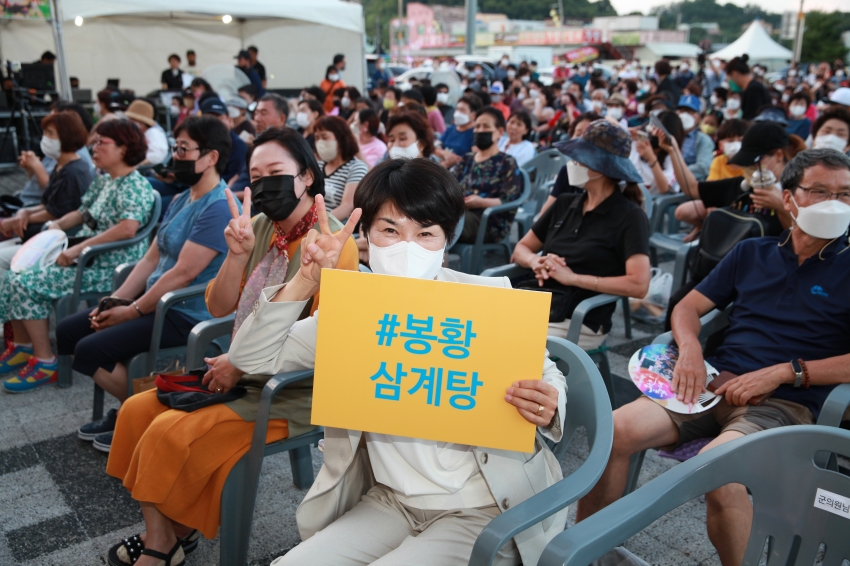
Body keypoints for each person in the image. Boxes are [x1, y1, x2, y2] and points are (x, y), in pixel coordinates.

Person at [229, 157, 568, 566]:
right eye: (390, 230)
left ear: (445, 243)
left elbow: (546, 372)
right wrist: (306, 280)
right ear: (366, 234)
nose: (408, 246)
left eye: (426, 233)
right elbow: (248, 356)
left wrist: (549, 402)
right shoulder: (355, 310)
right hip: (389, 501)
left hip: (480, 505)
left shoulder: (486, 300)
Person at [577, 149, 850, 566]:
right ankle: (589, 548)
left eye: (846, 194)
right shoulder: (753, 252)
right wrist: (690, 349)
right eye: (820, 191)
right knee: (616, 428)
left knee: (717, 469)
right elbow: (686, 308)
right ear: (789, 198)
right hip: (711, 382)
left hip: (788, 400)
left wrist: (783, 373)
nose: (835, 203)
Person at [103, 128, 358, 566]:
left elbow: (323, 344)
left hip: (292, 388)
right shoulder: (258, 227)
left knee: (169, 431)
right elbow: (220, 306)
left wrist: (238, 365)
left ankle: (165, 544)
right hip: (236, 369)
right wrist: (237, 256)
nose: (263, 185)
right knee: (135, 411)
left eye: (275, 173)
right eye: (255, 176)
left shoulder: (334, 245)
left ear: (307, 178)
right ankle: (163, 536)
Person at [55, 117, 233, 450]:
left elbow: (183, 273)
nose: (176, 156)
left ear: (210, 157)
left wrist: (133, 311)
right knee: (70, 330)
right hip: (155, 302)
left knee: (89, 350)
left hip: (184, 312)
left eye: (184, 149)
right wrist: (115, 302)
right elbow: (151, 259)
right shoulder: (183, 199)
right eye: (175, 147)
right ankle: (135, 409)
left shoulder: (219, 207)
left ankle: (142, 416)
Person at [1, 120, 155, 393]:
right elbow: (82, 213)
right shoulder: (105, 179)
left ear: (123, 149)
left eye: (101, 143)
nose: (94, 148)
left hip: (104, 264)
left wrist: (77, 249)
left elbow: (126, 227)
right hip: (82, 256)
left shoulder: (134, 184)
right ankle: (25, 348)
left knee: (24, 282)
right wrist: (54, 227)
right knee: (13, 273)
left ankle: (45, 361)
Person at [513, 119, 651, 350]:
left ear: (601, 168)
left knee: (505, 339)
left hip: (581, 317)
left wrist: (572, 278)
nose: (572, 164)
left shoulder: (630, 216)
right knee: (480, 325)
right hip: (541, 301)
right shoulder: (565, 203)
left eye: (579, 159)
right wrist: (536, 261)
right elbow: (521, 248)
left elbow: (638, 284)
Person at [672, 121, 805, 241]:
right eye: (746, 163)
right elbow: (692, 188)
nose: (749, 168)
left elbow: (803, 242)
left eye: (755, 163)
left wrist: (781, 207)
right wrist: (673, 150)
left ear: (778, 156)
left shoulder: (801, 192)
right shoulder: (742, 186)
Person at [0, 112, 93, 269]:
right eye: (45, 133)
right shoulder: (62, 165)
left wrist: (24, 218)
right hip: (40, 236)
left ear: (66, 136)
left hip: (55, 242)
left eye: (50, 133)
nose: (45, 138)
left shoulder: (74, 171)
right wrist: (24, 213)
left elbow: (57, 212)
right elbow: (47, 203)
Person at [452, 107, 522, 245]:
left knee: (440, 225)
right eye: (477, 126)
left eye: (486, 126)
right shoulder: (467, 159)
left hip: (488, 221)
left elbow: (509, 199)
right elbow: (449, 186)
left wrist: (480, 202)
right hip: (459, 213)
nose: (480, 130)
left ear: (500, 132)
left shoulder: (507, 162)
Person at [16, 102, 94, 208]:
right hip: (29, 203)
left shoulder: (74, 158)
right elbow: (37, 185)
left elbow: (53, 192)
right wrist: (30, 168)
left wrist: (36, 165)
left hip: (34, 206)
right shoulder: (57, 150)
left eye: (50, 132)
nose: (45, 138)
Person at [540, 113, 596, 215]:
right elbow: (545, 213)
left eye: (588, 136)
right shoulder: (567, 171)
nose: (581, 140)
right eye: (578, 134)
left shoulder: (604, 178)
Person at [313, 116, 368, 220]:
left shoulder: (356, 167)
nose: (320, 142)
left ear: (340, 138)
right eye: (317, 138)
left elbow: (347, 206)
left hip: (334, 226)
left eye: (324, 137)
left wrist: (318, 224)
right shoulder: (318, 166)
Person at [629, 110, 683, 196]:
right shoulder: (637, 141)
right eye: (653, 126)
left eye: (659, 130)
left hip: (650, 202)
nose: (653, 132)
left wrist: (651, 157)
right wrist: (624, 133)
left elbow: (664, 188)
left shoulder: (672, 156)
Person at [199, 97, 248, 187]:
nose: (215, 123)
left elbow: (233, 178)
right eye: (209, 119)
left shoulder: (238, 146)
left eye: (218, 118)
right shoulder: (198, 142)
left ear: (229, 120)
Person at [436, 94, 480, 169]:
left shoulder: (475, 133)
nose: (457, 113)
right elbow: (435, 147)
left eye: (462, 110)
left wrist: (454, 160)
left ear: (473, 115)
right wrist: (446, 154)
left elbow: (474, 159)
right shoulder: (451, 129)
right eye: (457, 109)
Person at [677, 95, 715, 181]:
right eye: (682, 111)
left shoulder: (703, 140)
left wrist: (676, 174)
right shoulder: (670, 134)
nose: (685, 115)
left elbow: (703, 167)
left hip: (687, 186)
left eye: (690, 112)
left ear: (698, 118)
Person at [725, 55, 771, 121]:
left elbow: (754, 119)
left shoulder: (754, 89)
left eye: (728, 77)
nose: (727, 80)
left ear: (734, 73)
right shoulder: (750, 88)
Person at [125, 100, 169, 166]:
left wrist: (135, 164)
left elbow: (157, 156)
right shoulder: (140, 133)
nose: (129, 122)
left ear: (141, 122)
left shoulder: (154, 133)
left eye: (132, 120)